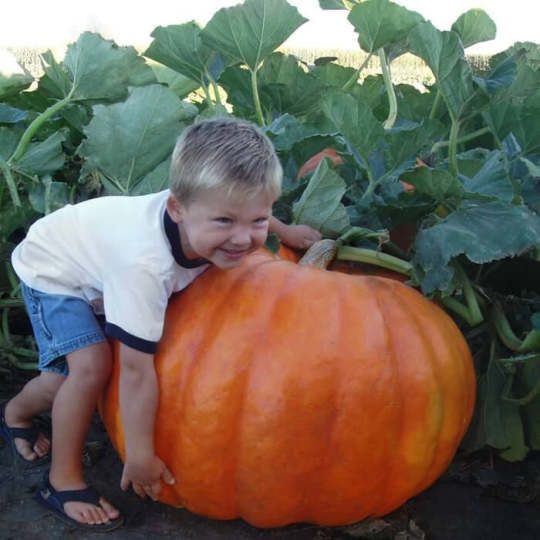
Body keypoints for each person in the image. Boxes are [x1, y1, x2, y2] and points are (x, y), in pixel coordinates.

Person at [0, 117, 321, 532]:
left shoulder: (210, 206)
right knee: (86, 369)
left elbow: (245, 208)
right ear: (177, 209)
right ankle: (50, 465)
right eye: (224, 222)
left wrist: (284, 230)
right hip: (54, 272)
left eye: (257, 221)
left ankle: (21, 415)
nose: (243, 239)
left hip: (99, 262)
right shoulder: (144, 266)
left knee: (90, 362)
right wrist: (139, 453)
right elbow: (135, 372)